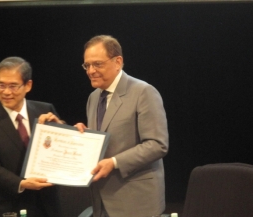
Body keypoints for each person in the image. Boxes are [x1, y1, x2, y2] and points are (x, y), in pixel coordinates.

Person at [41, 35, 169, 217]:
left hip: (136, 201)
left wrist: (114, 163)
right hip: (101, 201)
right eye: (87, 65)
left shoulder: (143, 92)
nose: (91, 71)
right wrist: (67, 132)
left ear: (118, 62)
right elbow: (101, 141)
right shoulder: (94, 98)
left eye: (97, 64)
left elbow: (157, 144)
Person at [0, 56, 64, 217]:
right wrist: (22, 183)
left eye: (13, 86)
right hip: (10, 204)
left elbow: (61, 150)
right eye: (1, 85)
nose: (6, 92)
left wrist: (62, 129)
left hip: (47, 204)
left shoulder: (45, 110)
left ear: (28, 85)